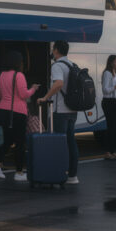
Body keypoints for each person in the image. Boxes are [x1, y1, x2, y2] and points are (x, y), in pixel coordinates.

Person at [0, 50, 38, 182]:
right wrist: (33, 89)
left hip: (2, 111)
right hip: (17, 112)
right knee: (20, 143)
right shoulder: (19, 75)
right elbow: (24, 95)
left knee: (8, 140)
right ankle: (19, 172)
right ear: (17, 62)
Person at [37, 40, 79, 184]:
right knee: (71, 142)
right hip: (72, 109)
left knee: (60, 143)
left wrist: (45, 97)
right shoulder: (72, 65)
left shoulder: (57, 66)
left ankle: (59, 174)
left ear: (55, 50)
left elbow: (58, 83)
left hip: (60, 110)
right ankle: (73, 175)